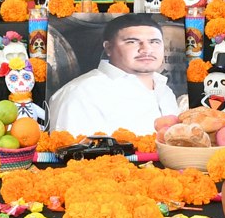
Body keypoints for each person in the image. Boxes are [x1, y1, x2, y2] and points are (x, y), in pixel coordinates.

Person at [47, 13, 182, 137]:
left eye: (154, 42)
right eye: (132, 42)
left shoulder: (164, 90)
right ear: (108, 48)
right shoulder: (81, 94)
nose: (146, 49)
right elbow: (70, 156)